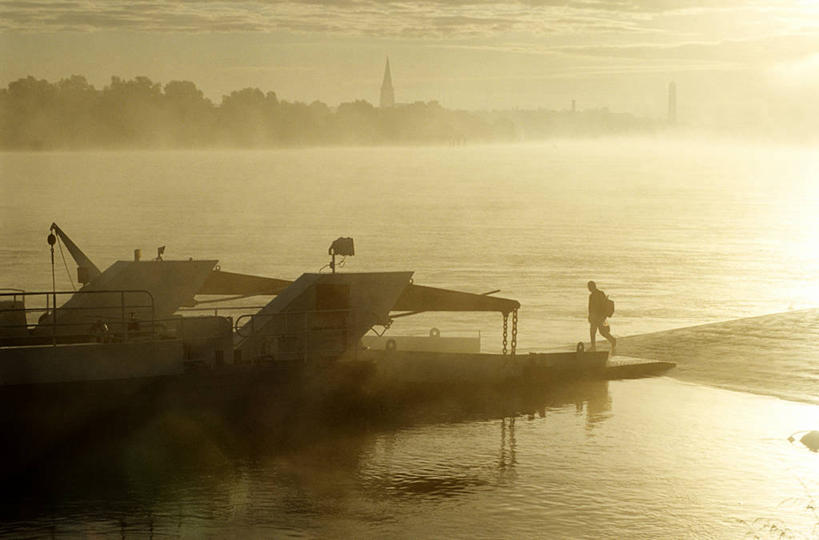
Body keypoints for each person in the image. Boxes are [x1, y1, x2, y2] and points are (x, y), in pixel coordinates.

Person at [587, 280, 616, 354]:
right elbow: (590, 308)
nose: (588, 288)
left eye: (589, 287)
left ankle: (612, 340)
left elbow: (603, 305)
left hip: (599, 316)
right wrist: (590, 316)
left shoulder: (599, 294)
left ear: (593, 286)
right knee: (595, 331)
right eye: (588, 287)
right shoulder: (593, 295)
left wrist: (602, 316)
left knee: (600, 332)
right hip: (596, 316)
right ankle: (594, 346)